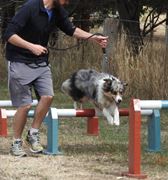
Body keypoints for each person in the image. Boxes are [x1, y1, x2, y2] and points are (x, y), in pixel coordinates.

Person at [4, 0, 108, 157]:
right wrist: (31, 46)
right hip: (19, 60)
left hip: (41, 62)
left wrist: (93, 37)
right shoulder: (30, 7)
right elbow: (9, 34)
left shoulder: (57, 11)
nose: (68, 1)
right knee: (25, 105)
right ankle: (16, 143)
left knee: (48, 96)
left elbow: (71, 30)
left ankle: (33, 133)